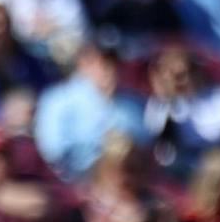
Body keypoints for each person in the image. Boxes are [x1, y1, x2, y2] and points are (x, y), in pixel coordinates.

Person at [34, 42, 146, 180]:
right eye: (99, 63)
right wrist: (102, 147)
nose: (107, 70)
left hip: (128, 182)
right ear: (82, 64)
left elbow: (145, 146)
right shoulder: (57, 100)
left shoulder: (133, 104)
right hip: (75, 184)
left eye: (112, 63)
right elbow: (52, 151)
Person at [142, 46, 220, 178]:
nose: (180, 81)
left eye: (184, 73)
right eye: (173, 76)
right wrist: (169, 99)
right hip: (180, 173)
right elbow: (159, 144)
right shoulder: (160, 105)